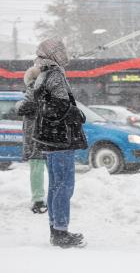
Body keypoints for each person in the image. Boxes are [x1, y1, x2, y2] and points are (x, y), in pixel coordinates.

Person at [32, 36, 88, 248]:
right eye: (61, 49)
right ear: (54, 53)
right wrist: (74, 112)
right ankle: (61, 232)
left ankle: (55, 229)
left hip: (49, 140)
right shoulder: (55, 75)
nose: (65, 52)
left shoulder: (43, 74)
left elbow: (43, 106)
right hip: (60, 140)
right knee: (64, 186)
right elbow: (56, 107)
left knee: (56, 186)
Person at [15, 66, 47, 214]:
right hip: (47, 137)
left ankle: (38, 200)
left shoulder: (33, 91)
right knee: (49, 169)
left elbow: (22, 108)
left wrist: (19, 104)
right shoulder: (48, 92)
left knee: (37, 169)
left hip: (36, 138)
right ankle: (49, 199)